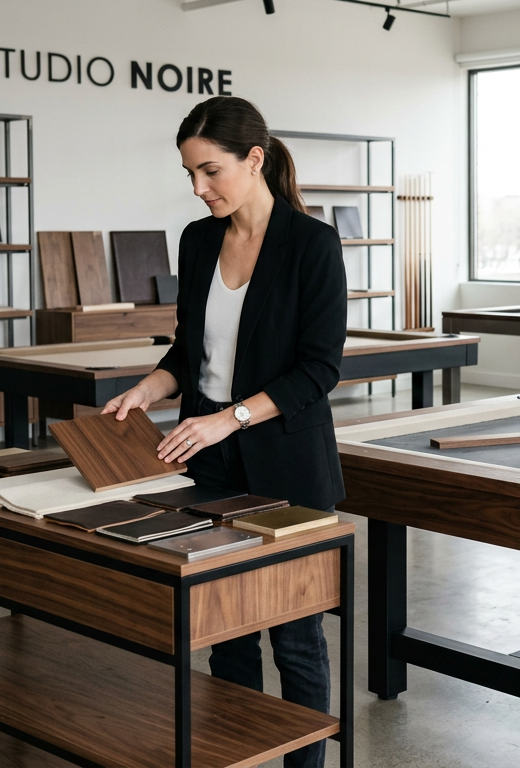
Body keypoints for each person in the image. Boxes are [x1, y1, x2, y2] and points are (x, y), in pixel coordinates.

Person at [101, 95, 346, 768]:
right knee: (226, 632)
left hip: (290, 469)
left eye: (209, 172)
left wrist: (228, 417)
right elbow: (188, 352)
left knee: (296, 638)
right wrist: (147, 390)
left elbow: (318, 370)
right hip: (207, 466)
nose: (197, 188)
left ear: (255, 159)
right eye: (189, 174)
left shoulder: (312, 245)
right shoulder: (199, 238)